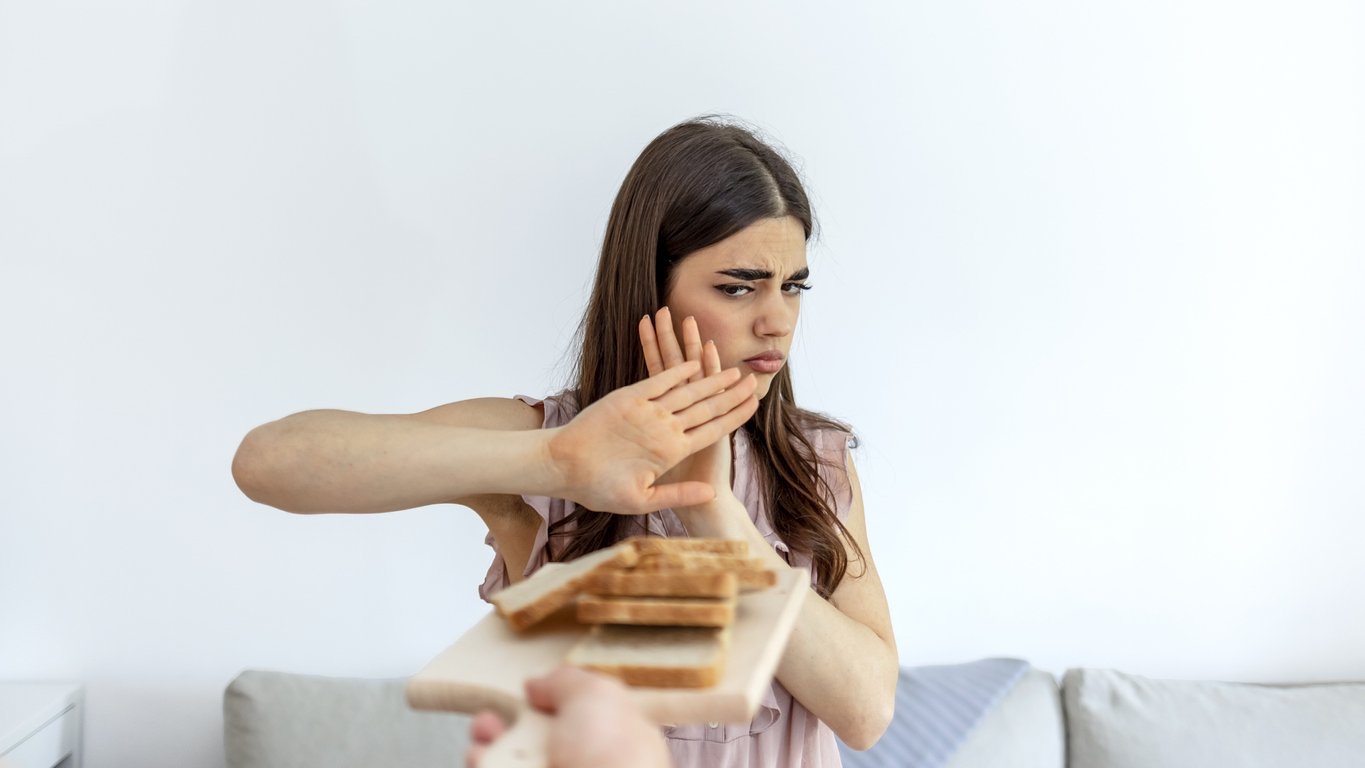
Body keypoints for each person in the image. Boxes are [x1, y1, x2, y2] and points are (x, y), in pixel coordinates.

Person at [233, 117, 897, 767]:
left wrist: (713, 513)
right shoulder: (552, 439)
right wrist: (558, 462)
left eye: (793, 286)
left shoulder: (812, 460)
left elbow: (865, 714)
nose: (776, 320)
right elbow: (270, 462)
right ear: (650, 287)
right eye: (737, 287)